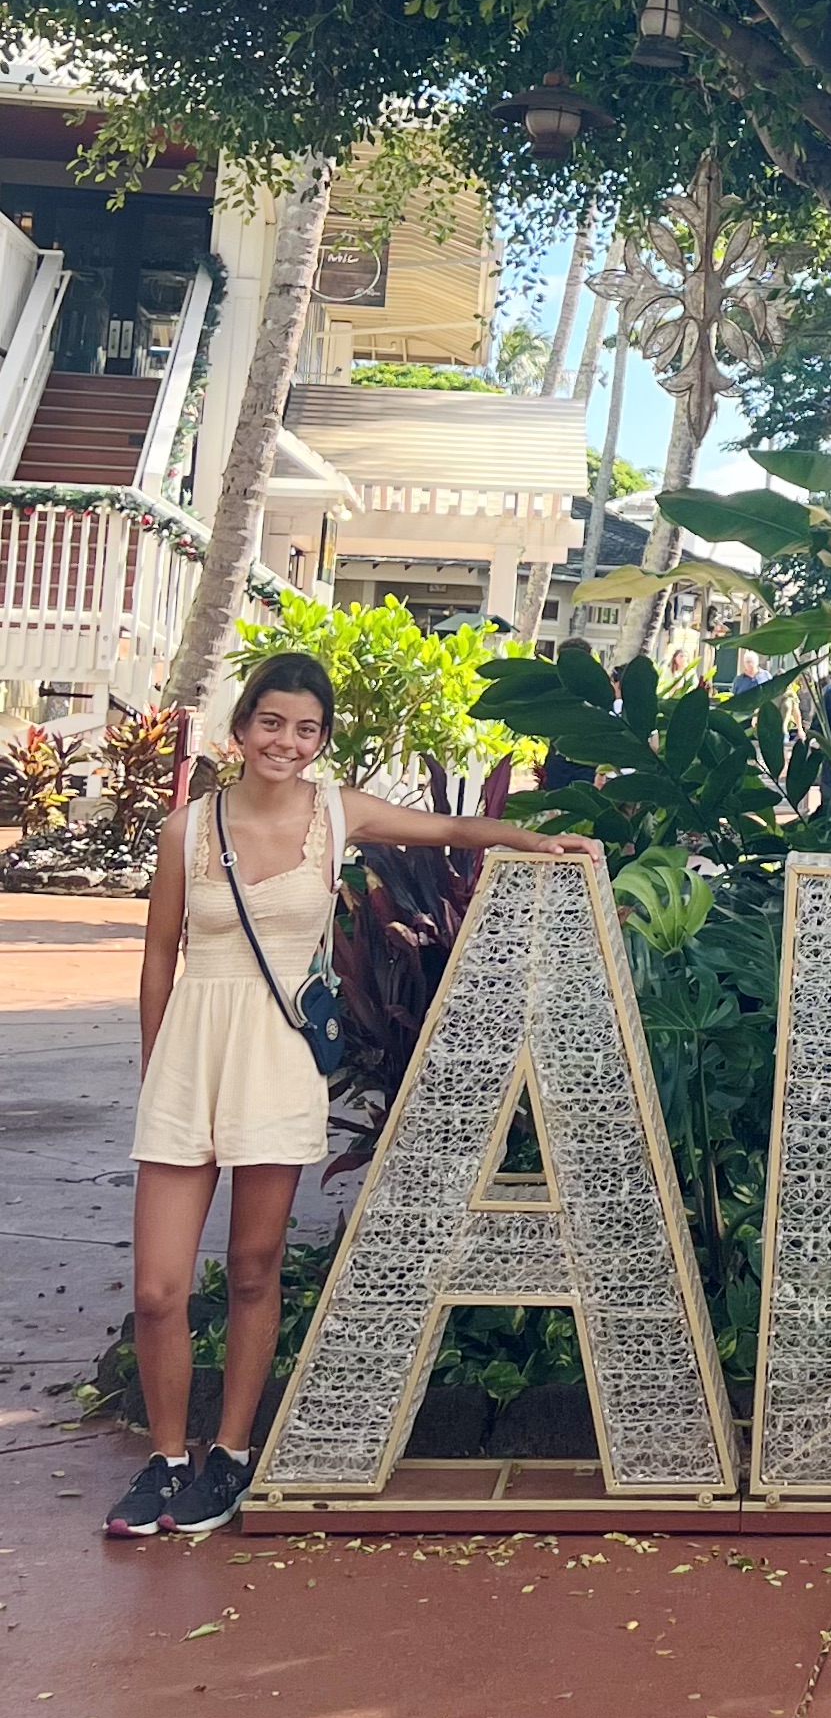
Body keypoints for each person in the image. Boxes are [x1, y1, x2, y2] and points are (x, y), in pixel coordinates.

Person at [106, 650, 602, 1541]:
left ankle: (228, 1454)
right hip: (190, 1056)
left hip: (279, 1056)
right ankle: (165, 1456)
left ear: (322, 740)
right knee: (157, 1289)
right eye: (270, 723)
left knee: (255, 1269)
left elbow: (447, 833)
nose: (285, 743)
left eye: (305, 729)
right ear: (242, 726)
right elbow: (157, 955)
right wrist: (155, 1065)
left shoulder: (336, 813)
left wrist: (535, 840)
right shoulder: (188, 829)